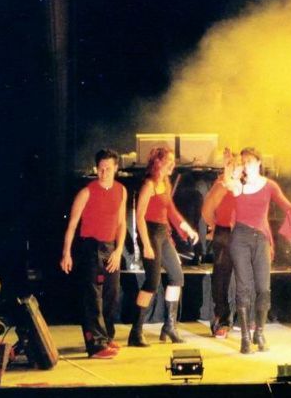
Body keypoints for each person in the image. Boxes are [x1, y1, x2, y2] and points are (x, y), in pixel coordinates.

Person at [226, 147, 291, 354]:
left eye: (249, 162)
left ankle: (259, 333)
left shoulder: (269, 186)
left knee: (264, 288)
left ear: (259, 163)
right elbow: (228, 181)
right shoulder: (238, 185)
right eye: (243, 162)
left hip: (261, 239)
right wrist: (231, 167)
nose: (246, 165)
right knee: (243, 288)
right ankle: (245, 338)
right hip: (240, 238)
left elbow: (288, 207)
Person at [128, 147, 198, 347]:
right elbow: (139, 217)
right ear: (158, 162)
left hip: (163, 233)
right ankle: (136, 331)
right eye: (169, 161)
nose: (172, 165)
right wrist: (146, 245)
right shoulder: (149, 185)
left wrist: (188, 229)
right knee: (152, 282)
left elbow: (171, 212)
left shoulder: (165, 183)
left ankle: (169, 325)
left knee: (177, 276)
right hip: (150, 233)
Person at [60, 149, 126, 359]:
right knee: (93, 297)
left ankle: (106, 336)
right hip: (91, 248)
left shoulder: (121, 190)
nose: (104, 172)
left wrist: (118, 250)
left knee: (111, 294)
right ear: (96, 168)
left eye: (108, 168)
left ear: (116, 168)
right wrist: (66, 254)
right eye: (101, 168)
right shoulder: (86, 192)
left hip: (111, 248)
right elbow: (72, 225)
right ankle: (96, 345)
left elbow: (122, 223)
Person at [201, 149, 240, 339]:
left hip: (243, 234)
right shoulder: (221, 184)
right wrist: (216, 227)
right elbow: (206, 210)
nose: (235, 168)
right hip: (224, 233)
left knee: (246, 278)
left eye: (238, 165)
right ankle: (222, 319)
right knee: (221, 279)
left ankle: (245, 319)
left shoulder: (247, 184)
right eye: (231, 164)